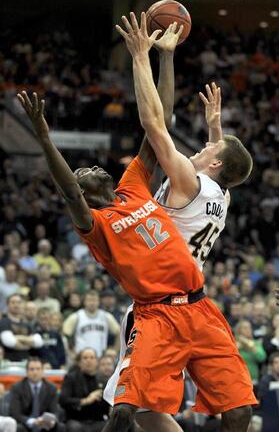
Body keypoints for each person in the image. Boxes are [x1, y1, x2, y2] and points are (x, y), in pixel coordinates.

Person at [17, 25, 255, 432]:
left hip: (193, 303)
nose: (196, 150)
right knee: (129, 408)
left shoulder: (148, 186)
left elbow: (155, 125)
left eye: (205, 149)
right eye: (83, 172)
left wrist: (153, 56)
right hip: (157, 309)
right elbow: (170, 139)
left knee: (152, 409)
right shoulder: (208, 195)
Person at [59, 348, 110, 432]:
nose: (88, 361)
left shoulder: (103, 380)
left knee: (113, 425)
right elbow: (63, 400)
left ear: (97, 362)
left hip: (98, 420)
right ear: (79, 362)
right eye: (85, 358)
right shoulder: (70, 378)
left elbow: (108, 404)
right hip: (77, 420)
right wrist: (86, 400)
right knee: (74, 427)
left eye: (92, 358)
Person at [9, 356, 65, 432]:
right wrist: (32, 421)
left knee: (60, 427)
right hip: (26, 424)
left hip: (45, 424)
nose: (35, 372)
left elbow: (54, 411)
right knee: (19, 428)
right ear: (27, 372)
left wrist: (51, 421)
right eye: (32, 369)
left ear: (42, 371)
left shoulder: (51, 388)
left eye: (38, 369)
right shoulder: (17, 387)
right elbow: (15, 413)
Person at [62, 290, 120, 358]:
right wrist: (71, 352)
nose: (92, 303)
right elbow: (65, 334)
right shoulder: (77, 316)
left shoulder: (106, 316)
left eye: (94, 300)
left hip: (101, 357)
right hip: (82, 357)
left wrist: (115, 350)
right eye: (89, 300)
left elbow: (119, 332)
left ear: (99, 302)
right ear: (84, 302)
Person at [0, 294, 43, 361]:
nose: (16, 305)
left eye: (19, 302)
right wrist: (28, 343)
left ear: (22, 305)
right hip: (9, 362)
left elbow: (38, 342)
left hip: (26, 362)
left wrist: (17, 337)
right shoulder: (4, 322)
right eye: (13, 302)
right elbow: (9, 342)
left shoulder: (27, 323)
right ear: (8, 305)